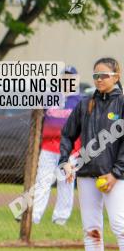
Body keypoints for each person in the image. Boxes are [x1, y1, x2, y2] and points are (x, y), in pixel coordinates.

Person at [59, 57, 124, 251]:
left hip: (116, 178)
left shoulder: (122, 104)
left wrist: (116, 173)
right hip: (86, 175)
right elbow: (67, 135)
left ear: (116, 77)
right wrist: (65, 161)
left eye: (104, 75)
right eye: (96, 75)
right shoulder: (85, 103)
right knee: (91, 228)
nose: (99, 79)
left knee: (120, 226)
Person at [31, 65, 81, 225]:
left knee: (66, 182)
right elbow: (38, 117)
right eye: (64, 78)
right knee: (42, 181)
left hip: (71, 150)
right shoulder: (50, 97)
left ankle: (60, 218)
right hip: (48, 148)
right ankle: (35, 216)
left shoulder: (81, 101)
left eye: (70, 78)